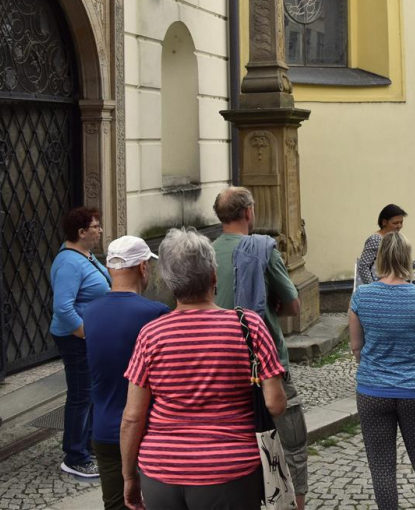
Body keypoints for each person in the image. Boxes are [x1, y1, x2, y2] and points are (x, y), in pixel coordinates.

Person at [120, 228, 286, 510]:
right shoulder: (249, 327)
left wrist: (128, 477)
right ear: (213, 276)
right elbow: (276, 404)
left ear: (169, 282)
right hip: (231, 471)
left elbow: (133, 418)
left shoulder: (150, 335)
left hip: (162, 471)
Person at [211, 186, 309, 510]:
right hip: (264, 363)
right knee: (289, 443)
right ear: (249, 212)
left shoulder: (206, 252)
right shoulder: (263, 250)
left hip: (221, 361)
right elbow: (294, 305)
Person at [349, 232, 415, 509]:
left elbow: (356, 348)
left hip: (371, 392)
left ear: (379, 259)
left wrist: (374, 370)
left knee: (381, 469)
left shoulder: (361, 297)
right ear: (406, 258)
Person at [84, 236, 168, 510]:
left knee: (116, 505)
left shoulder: (91, 312)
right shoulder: (156, 313)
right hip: (148, 431)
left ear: (109, 268)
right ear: (143, 267)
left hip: (105, 429)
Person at [50, 206, 110, 478]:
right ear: (81, 232)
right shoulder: (68, 263)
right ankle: (74, 455)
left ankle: (87, 444)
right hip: (76, 340)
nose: (99, 230)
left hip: (91, 337)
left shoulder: (84, 256)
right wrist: (86, 333)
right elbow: (63, 308)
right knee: (80, 395)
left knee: (90, 393)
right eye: (95, 226)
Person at [355, 204, 415, 288]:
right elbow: (363, 266)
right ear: (384, 222)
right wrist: (372, 289)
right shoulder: (375, 240)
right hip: (381, 289)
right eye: (395, 223)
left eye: (401, 222)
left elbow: (403, 266)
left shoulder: (397, 239)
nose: (399, 226)